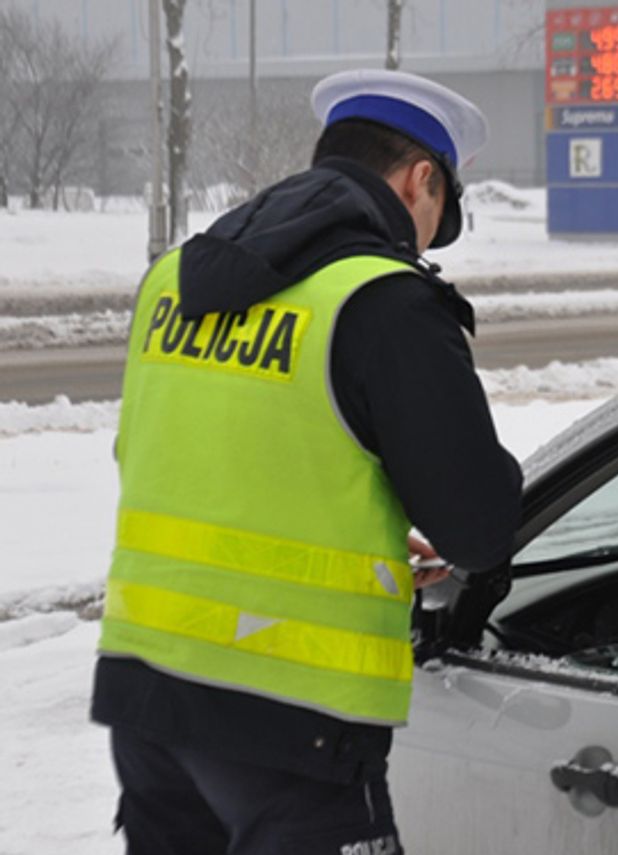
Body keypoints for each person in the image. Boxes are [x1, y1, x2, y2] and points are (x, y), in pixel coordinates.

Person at [90, 69, 523, 854]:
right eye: (438, 216)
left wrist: (359, 540)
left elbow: (174, 461)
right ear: (422, 179)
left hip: (147, 697)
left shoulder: (171, 282)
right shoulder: (383, 299)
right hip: (294, 725)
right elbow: (481, 524)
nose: (425, 239)